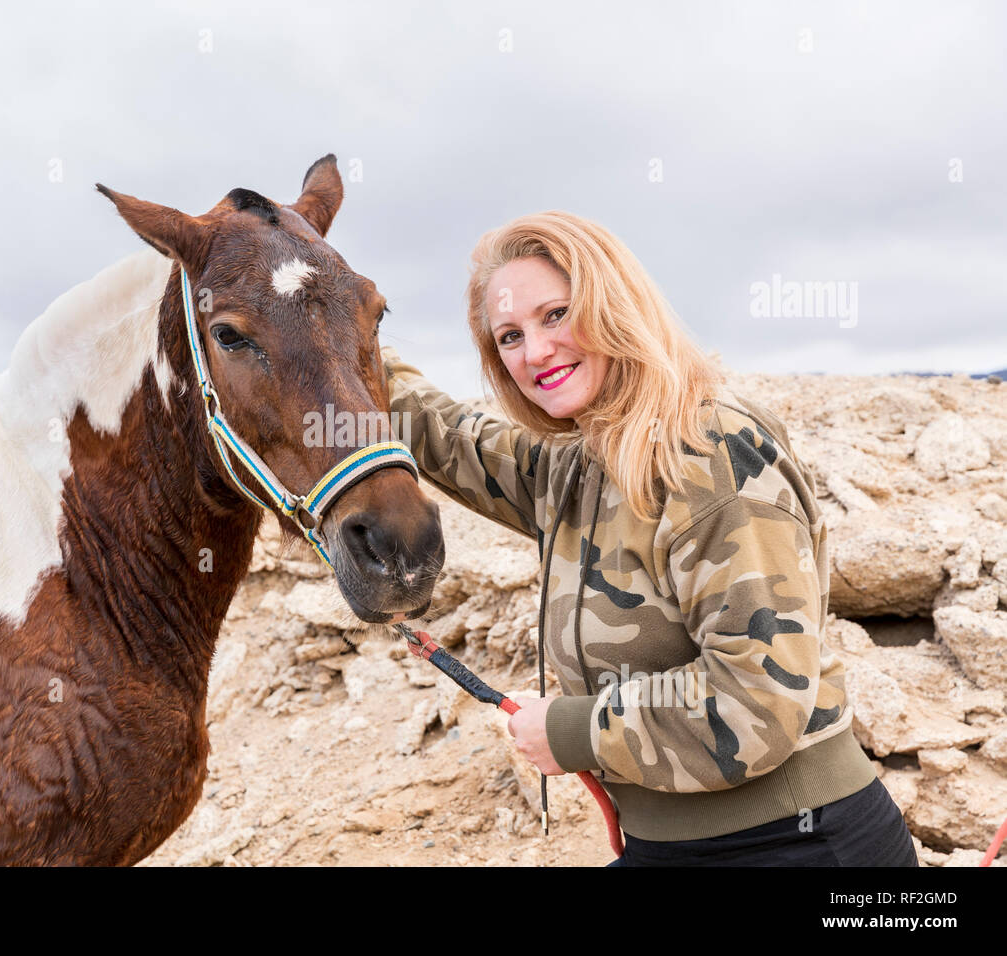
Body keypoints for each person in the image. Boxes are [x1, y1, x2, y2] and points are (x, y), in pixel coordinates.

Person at [379, 211, 919, 866]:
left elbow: (757, 699)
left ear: (615, 302)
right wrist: (311, 331)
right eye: (510, 336)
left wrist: (573, 733)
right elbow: (450, 434)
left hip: (795, 846)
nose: (536, 352)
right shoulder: (574, 462)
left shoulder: (712, 452)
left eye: (556, 315)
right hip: (672, 847)